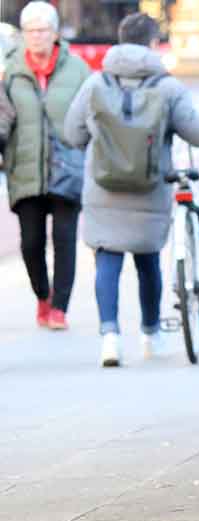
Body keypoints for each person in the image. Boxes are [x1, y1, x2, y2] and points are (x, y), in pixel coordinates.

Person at [64, 13, 199, 367]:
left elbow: (72, 134)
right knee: (148, 262)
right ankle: (151, 335)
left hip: (104, 187)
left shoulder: (95, 84)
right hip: (150, 187)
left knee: (108, 257)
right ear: (151, 43)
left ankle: (111, 338)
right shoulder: (167, 87)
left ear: (119, 38)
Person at [0, 1, 90, 330]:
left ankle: (59, 309)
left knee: (65, 241)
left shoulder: (77, 70)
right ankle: (42, 294)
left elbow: (91, 117)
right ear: (23, 34)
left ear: (55, 34)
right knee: (31, 243)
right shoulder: (9, 70)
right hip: (25, 169)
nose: (36, 36)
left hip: (68, 167)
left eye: (42, 30)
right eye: (30, 31)